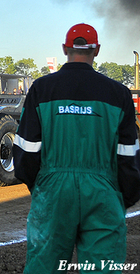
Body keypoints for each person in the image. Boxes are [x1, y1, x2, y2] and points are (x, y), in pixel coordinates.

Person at [13, 23, 140, 273]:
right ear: (97, 50)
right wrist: (121, 198)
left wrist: (41, 188)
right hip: (103, 193)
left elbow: (27, 151)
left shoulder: (41, 89)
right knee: (103, 267)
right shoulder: (119, 94)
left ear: (64, 49)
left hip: (53, 192)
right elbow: (128, 157)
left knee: (45, 266)